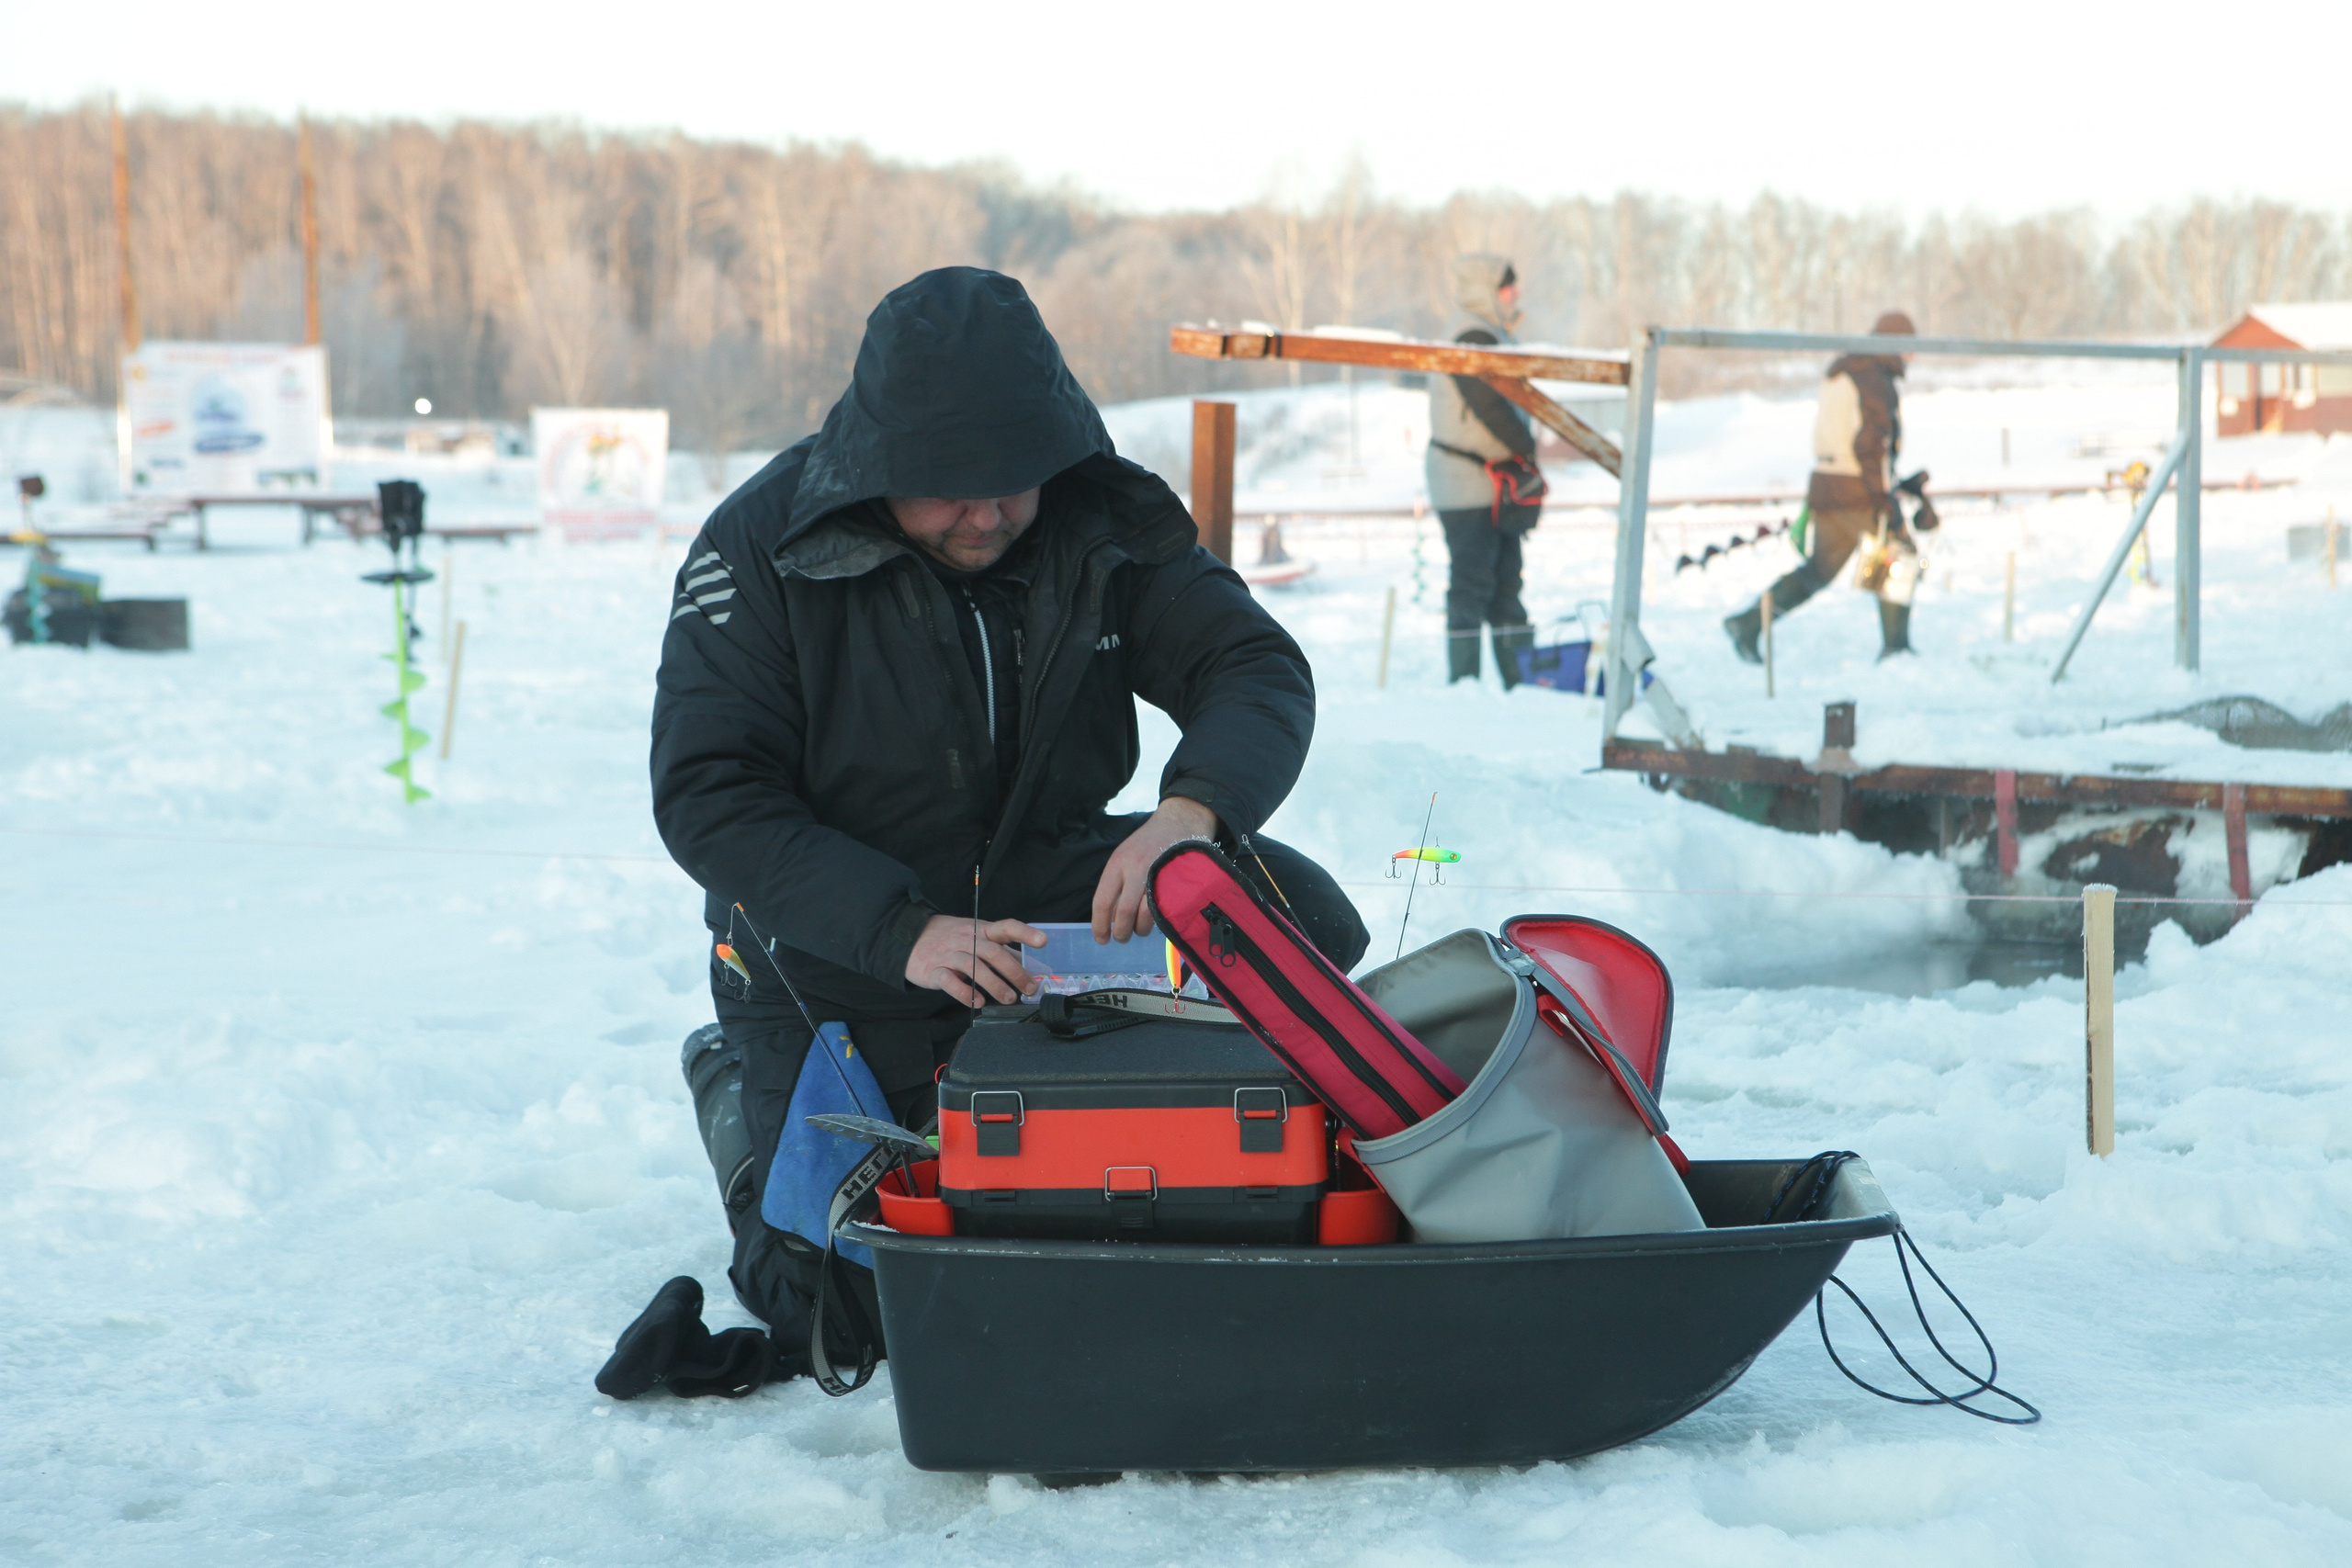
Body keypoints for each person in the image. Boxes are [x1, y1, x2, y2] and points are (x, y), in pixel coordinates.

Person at [600, 266, 1369, 1398]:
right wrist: (896, 927)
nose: (987, 514)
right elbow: (710, 791)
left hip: (1044, 882)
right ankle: (736, 1091)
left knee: (1297, 922)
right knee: (847, 1306)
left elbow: (1248, 664)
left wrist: (1188, 815)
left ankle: (1169, 1113)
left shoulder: (1097, 517)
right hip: (832, 934)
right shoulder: (758, 548)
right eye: (946, 491)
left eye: (1009, 483)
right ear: (877, 466)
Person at [1724, 310, 1938, 662]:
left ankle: (1748, 624)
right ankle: (1896, 649)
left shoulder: (1845, 370)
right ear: (1894, 345)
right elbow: (1871, 447)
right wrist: (1887, 503)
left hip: (1827, 488)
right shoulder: (1873, 380)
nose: (1912, 357)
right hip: (1858, 489)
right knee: (1899, 557)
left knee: (1817, 572)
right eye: (1909, 347)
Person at [1425, 254, 1545, 687]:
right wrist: (1527, 449)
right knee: (1473, 583)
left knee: (1505, 583)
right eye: (1506, 287)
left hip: (1494, 482)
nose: (1515, 294)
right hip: (1466, 482)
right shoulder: (1470, 334)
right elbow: (1489, 403)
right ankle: (1465, 686)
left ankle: (1522, 684)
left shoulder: (1491, 333)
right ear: (1486, 290)